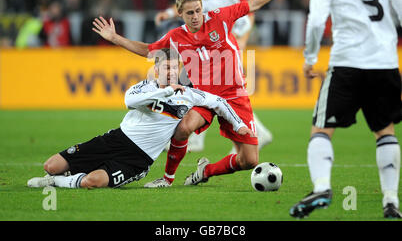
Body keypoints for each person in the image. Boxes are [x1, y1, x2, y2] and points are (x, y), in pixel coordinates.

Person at [92, 0, 289, 188]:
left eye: (198, 10)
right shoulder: (175, 36)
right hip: (203, 97)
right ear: (180, 14)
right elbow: (148, 50)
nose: (196, 16)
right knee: (183, 128)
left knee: (249, 160)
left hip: (235, 95)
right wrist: (116, 38)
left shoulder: (221, 17)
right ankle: (167, 179)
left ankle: (205, 170)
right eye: (190, 13)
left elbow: (253, 3)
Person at [289, 0, 402, 219]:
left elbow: (315, 22)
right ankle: (391, 200)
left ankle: (323, 186)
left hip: (347, 62)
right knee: (384, 131)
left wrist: (310, 58)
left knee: (322, 129)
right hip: (384, 61)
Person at [27, 48, 252, 189]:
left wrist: (239, 125)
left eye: (175, 68)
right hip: (115, 140)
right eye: (167, 67)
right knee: (51, 164)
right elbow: (129, 101)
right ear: (156, 70)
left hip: (137, 159)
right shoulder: (144, 87)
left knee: (91, 182)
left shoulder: (190, 95)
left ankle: (56, 182)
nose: (172, 72)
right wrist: (166, 92)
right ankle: (61, 175)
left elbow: (219, 103)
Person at [155, 0, 273, 154]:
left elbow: (245, 16)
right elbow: (180, 10)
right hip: (203, 57)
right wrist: (167, 14)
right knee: (204, 91)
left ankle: (200, 138)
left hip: (224, 55)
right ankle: (252, 134)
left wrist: (240, 40)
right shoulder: (193, 0)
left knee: (211, 93)